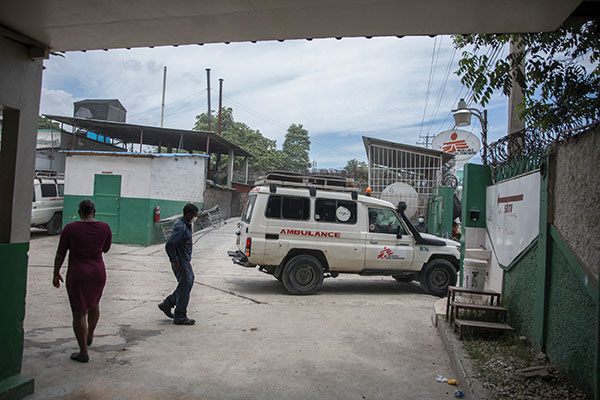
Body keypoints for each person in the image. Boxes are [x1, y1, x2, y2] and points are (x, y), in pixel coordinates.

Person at [53, 199, 112, 363]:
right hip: (98, 273)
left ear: (79, 212)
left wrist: (56, 272)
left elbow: (60, 253)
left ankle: (83, 352)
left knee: (79, 312)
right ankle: (90, 333)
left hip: (78, 274)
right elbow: (106, 249)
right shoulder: (105, 227)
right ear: (94, 211)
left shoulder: (70, 228)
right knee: (94, 304)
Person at [158, 203, 199, 325]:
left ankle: (168, 303)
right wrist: (175, 260)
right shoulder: (181, 227)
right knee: (185, 286)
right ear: (188, 215)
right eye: (194, 216)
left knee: (186, 284)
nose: (195, 218)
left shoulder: (186, 224)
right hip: (181, 262)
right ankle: (180, 316)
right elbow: (170, 244)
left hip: (185, 260)